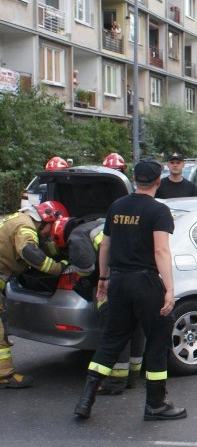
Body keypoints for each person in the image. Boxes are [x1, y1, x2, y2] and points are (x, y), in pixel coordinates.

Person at [73, 159, 186, 421]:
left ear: (135, 179)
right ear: (158, 181)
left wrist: (103, 278)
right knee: (157, 340)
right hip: (145, 283)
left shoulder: (116, 206)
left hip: (119, 282)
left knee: (112, 340)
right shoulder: (159, 211)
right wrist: (169, 289)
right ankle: (155, 405)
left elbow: (105, 246)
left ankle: (85, 400)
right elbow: (160, 250)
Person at [51, 215, 145, 395]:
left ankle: (116, 382)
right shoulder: (99, 224)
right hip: (138, 279)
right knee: (135, 329)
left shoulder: (77, 237)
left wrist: (71, 265)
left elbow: (86, 268)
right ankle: (132, 378)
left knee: (115, 331)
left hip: (114, 284)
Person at [0, 201, 69, 388]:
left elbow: (43, 246)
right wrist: (57, 268)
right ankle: (4, 375)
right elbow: (29, 252)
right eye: (51, 228)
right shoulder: (26, 227)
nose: (50, 233)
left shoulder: (23, 219)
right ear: (45, 219)